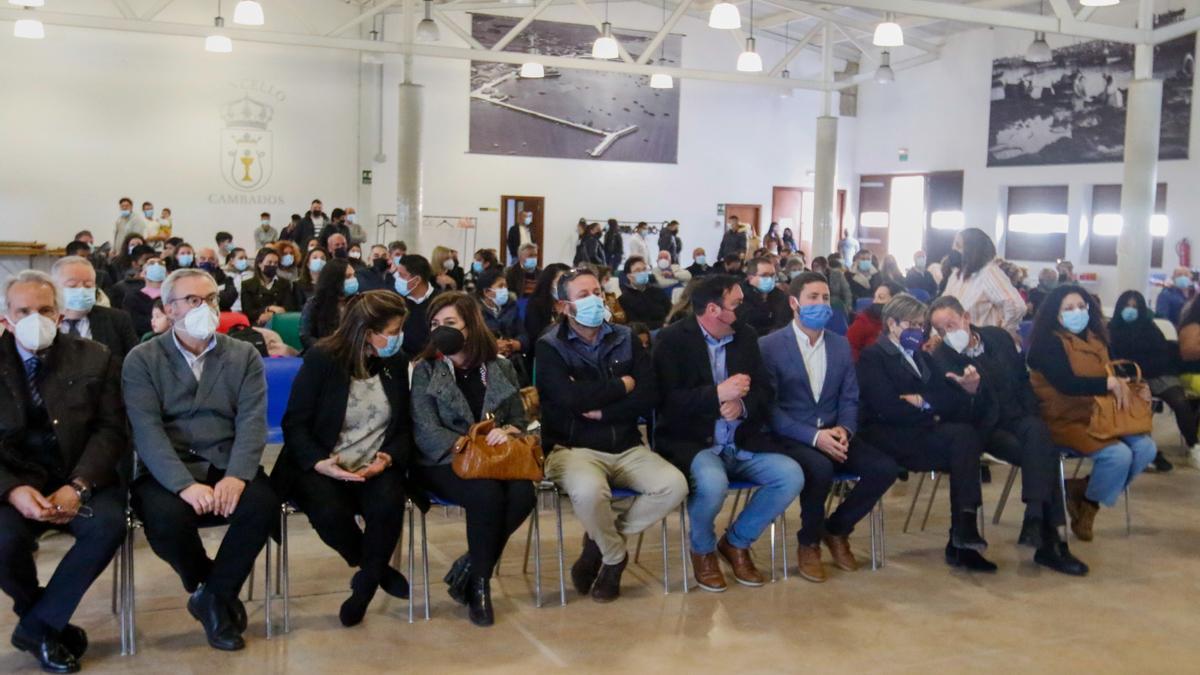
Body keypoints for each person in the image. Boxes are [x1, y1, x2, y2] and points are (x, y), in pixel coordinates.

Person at [122, 269, 279, 652]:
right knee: (166, 519)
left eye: (210, 299)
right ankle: (213, 590)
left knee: (262, 505)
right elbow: (147, 432)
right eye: (193, 300)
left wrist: (238, 476)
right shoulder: (142, 359)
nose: (204, 307)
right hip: (168, 468)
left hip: (227, 461)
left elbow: (252, 421)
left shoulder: (243, 355)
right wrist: (184, 486)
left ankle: (212, 599)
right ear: (169, 310)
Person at [0, 271, 127, 674]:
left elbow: (111, 430)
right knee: (2, 540)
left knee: (107, 526)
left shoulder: (95, 356)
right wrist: (12, 489)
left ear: (58, 315)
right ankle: (42, 620)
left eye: (44, 309)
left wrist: (79, 484)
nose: (34, 318)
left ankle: (36, 627)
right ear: (6, 318)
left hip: (80, 474)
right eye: (24, 311)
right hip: (16, 479)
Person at [536, 268, 688, 602]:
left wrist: (606, 409)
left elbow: (648, 395)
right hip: (573, 447)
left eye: (597, 292)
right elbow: (569, 400)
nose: (594, 299)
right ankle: (615, 557)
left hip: (626, 444)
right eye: (583, 295)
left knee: (673, 485)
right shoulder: (550, 346)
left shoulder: (625, 336)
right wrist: (622, 385)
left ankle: (598, 541)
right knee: (590, 492)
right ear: (564, 306)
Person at [653, 275, 804, 592]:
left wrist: (743, 406)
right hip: (695, 442)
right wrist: (717, 394)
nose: (743, 310)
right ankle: (703, 549)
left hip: (742, 440)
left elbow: (764, 390)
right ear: (712, 309)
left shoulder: (745, 336)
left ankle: (736, 542)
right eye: (735, 304)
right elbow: (665, 402)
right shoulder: (672, 340)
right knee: (713, 483)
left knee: (790, 475)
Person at [273, 290, 411, 628]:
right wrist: (320, 462)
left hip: (374, 460)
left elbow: (405, 425)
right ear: (366, 330)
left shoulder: (393, 360)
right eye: (391, 332)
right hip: (321, 461)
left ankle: (363, 588)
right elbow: (295, 422)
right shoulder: (322, 358)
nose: (397, 339)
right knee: (329, 510)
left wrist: (388, 457)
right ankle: (374, 568)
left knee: (388, 503)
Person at [926, 296, 1088, 575]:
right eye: (939, 330)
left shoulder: (998, 338)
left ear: (966, 317)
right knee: (1044, 451)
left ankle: (1037, 521)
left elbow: (1022, 381)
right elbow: (954, 413)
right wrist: (971, 392)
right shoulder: (942, 357)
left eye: (950, 325)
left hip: (1018, 418)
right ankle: (1048, 538)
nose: (946, 334)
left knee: (1038, 433)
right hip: (985, 429)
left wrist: (1030, 414)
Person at [760, 272, 899, 582]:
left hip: (835, 431)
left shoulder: (839, 345)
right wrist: (813, 436)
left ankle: (836, 529)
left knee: (884, 468)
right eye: (813, 297)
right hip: (792, 435)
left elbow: (850, 396)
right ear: (795, 302)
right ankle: (808, 542)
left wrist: (845, 431)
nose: (821, 304)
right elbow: (769, 408)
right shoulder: (769, 346)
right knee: (820, 469)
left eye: (825, 298)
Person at [410, 293, 535, 625]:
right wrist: (468, 445)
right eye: (435, 324)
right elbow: (425, 430)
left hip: (494, 460)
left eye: (450, 323)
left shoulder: (501, 367)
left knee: (524, 494)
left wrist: (509, 431)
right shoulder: (427, 369)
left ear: (471, 326)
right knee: (486, 495)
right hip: (443, 461)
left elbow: (519, 421)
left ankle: (468, 565)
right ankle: (480, 586)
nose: (441, 330)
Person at [857, 294, 992, 571]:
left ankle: (963, 531)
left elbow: (947, 396)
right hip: (889, 436)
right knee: (962, 443)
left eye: (921, 326)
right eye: (912, 325)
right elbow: (887, 407)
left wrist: (923, 401)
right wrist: (931, 405)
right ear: (892, 324)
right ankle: (961, 536)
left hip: (920, 432)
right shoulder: (874, 356)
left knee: (965, 438)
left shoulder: (920, 356)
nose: (918, 332)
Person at [1027, 284, 1157, 541]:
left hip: (1101, 414)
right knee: (1118, 456)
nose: (1077, 312)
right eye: (1069, 308)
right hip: (1064, 418)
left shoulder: (1098, 338)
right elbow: (1067, 383)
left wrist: (1135, 386)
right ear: (1055, 312)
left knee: (1146, 449)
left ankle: (1085, 495)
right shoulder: (1047, 343)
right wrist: (1106, 385)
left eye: (1081, 306)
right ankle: (1089, 504)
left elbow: (1113, 373)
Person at [1110, 291, 1194, 470]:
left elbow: (1162, 355)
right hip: (1130, 379)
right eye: (1127, 306)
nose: (1130, 310)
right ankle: (1146, 451)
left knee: (1180, 402)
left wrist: (1145, 371)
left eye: (1134, 307)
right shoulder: (1111, 330)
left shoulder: (1150, 328)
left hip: (1159, 374)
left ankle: (1194, 445)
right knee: (1135, 405)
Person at [942, 228, 1026, 342]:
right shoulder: (957, 274)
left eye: (958, 246)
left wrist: (1004, 332)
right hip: (956, 341)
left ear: (972, 250)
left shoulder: (988, 273)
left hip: (983, 345)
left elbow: (1016, 306)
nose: (953, 249)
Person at [51, 256, 139, 362]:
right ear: (54, 288)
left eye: (88, 285)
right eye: (72, 286)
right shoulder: (43, 321)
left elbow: (135, 362)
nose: (81, 290)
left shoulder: (118, 320)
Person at [300, 258, 358, 351]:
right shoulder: (315, 304)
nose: (353, 280)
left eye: (354, 275)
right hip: (324, 353)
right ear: (335, 280)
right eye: (348, 277)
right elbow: (306, 337)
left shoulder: (359, 302)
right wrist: (328, 347)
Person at [392, 254, 439, 358]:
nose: (397, 278)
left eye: (401, 275)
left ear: (417, 280)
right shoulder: (395, 301)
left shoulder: (440, 301)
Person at [475, 269, 527, 360]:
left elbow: (524, 336)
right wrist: (493, 346)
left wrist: (512, 344)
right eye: (500, 286)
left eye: (506, 286)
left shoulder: (512, 306)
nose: (505, 290)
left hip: (511, 359)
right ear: (487, 292)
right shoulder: (474, 311)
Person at [846, 281, 904, 361]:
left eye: (881, 297)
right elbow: (849, 349)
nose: (875, 302)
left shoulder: (905, 322)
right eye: (875, 297)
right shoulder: (864, 321)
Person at [240, 247, 298, 327]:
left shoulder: (284, 283)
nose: (272, 265)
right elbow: (248, 311)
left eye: (275, 263)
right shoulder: (247, 285)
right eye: (269, 262)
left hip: (280, 322)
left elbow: (289, 307)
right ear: (260, 264)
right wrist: (269, 308)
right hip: (257, 324)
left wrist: (271, 315)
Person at [735, 256, 791, 336]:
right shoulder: (740, 297)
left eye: (772, 275)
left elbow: (786, 320)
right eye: (764, 275)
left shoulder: (781, 295)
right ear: (750, 277)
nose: (770, 279)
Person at [523, 263, 571, 356]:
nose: (565, 286)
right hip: (546, 353)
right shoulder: (536, 305)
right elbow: (536, 338)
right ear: (549, 283)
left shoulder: (573, 303)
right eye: (561, 281)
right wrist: (561, 318)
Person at [618, 256, 671, 329]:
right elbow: (634, 324)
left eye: (644, 269)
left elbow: (671, 312)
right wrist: (662, 325)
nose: (642, 273)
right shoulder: (624, 299)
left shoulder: (658, 291)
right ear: (629, 276)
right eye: (638, 270)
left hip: (668, 328)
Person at [123, 255, 168, 338]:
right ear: (143, 273)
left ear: (167, 273)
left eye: (160, 264)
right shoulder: (132, 297)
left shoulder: (172, 296)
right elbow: (133, 323)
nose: (156, 265)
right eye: (151, 263)